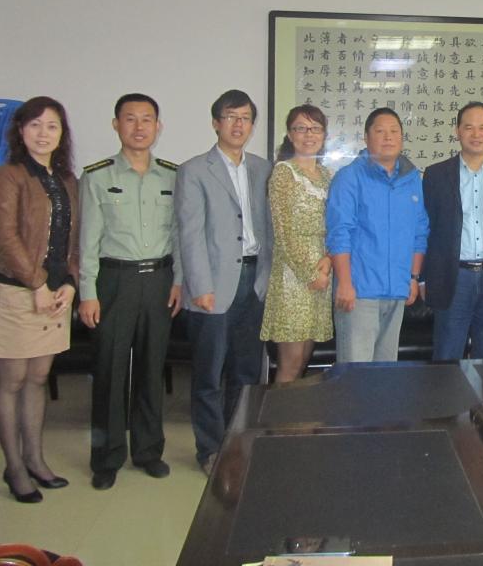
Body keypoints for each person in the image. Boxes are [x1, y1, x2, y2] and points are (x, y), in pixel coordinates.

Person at [77, 93, 183, 490]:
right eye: (130, 119)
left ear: (159, 126)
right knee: (110, 370)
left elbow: (179, 235)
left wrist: (179, 281)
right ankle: (106, 457)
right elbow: (87, 241)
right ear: (116, 125)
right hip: (114, 281)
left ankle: (148, 451)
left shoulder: (173, 176)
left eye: (147, 119)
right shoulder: (97, 176)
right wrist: (87, 291)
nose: (139, 127)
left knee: (152, 369)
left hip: (159, 280)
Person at [0, 96, 79, 503]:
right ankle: (14, 467)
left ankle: (35, 459)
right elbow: (6, 238)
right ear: (21, 131)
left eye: (52, 126)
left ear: (62, 134)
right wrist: (37, 284)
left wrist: (69, 283)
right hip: (16, 290)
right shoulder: (9, 176)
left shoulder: (67, 180)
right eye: (35, 125)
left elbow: (73, 239)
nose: (44, 133)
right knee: (12, 381)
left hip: (54, 294)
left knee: (38, 378)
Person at [176, 90, 272, 475]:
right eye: (231, 117)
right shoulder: (194, 170)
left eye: (245, 118)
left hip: (254, 280)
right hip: (212, 284)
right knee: (209, 374)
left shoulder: (263, 169)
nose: (238, 124)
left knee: (247, 373)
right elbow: (189, 234)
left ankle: (238, 444)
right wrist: (199, 285)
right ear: (216, 123)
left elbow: (270, 229)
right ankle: (210, 449)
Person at [325, 107, 429, 363]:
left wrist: (413, 277)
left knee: (386, 373)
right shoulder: (349, 177)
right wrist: (345, 283)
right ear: (366, 137)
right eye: (380, 131)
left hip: (397, 290)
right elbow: (339, 233)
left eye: (394, 131)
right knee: (356, 372)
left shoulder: (412, 179)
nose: (388, 137)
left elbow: (419, 231)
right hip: (359, 292)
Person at [422, 102, 483, 360]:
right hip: (453, 278)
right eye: (468, 127)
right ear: (457, 131)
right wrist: (422, 278)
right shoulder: (435, 175)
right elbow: (426, 229)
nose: (476, 134)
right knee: (446, 360)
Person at [260, 105, 333, 382]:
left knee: (303, 361)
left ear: (324, 135)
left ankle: (297, 411)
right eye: (301, 128)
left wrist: (327, 261)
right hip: (294, 276)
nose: (308, 134)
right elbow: (284, 233)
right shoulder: (283, 173)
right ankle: (279, 412)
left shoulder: (328, 175)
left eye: (315, 128)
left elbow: (337, 224)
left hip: (324, 271)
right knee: (290, 365)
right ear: (290, 135)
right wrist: (311, 273)